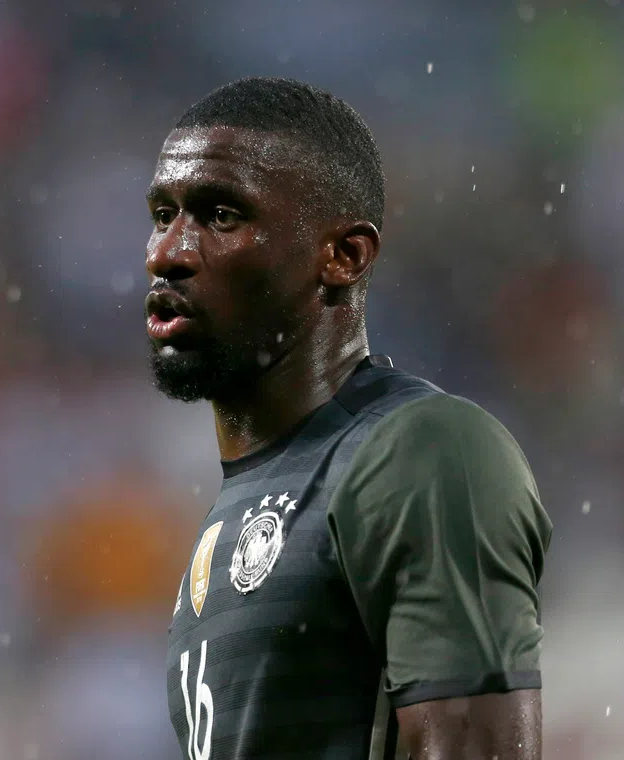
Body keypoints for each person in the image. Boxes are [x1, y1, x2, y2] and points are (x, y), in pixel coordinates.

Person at [146, 77, 551, 760]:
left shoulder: (417, 450)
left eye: (220, 216)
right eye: (164, 215)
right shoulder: (231, 516)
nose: (167, 253)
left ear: (344, 257)